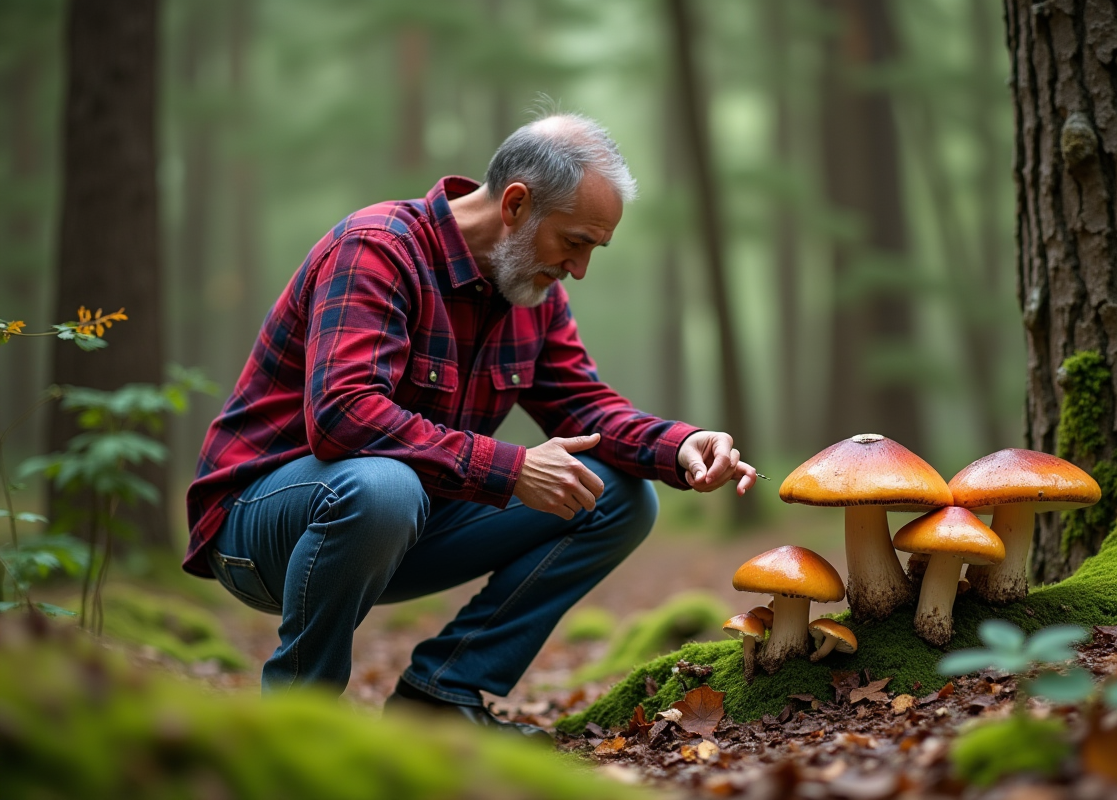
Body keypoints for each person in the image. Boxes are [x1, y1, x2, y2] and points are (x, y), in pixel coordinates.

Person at [184, 112, 758, 738]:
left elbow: (586, 407)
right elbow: (345, 416)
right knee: (384, 485)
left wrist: (678, 447)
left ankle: (442, 692)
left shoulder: (532, 294)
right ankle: (299, 722)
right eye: (574, 242)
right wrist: (511, 468)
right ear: (516, 204)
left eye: (595, 247)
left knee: (617, 495)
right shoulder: (378, 248)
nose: (581, 268)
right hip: (260, 527)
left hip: (401, 525)